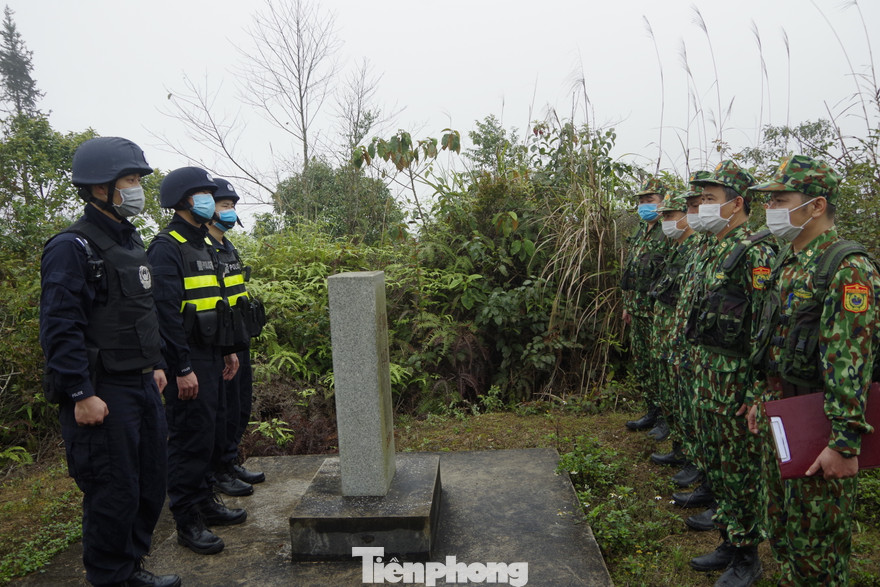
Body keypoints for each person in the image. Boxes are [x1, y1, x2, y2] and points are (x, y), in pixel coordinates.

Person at [39, 137, 181, 587]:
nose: (137, 189)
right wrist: (80, 392)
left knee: (148, 482)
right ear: (100, 187)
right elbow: (60, 327)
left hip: (141, 383)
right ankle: (110, 576)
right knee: (113, 490)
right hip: (102, 389)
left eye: (138, 179)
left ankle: (130, 567)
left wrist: (155, 364)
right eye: (130, 180)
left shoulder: (130, 240)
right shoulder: (72, 247)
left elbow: (139, 313)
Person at [748, 155, 878, 586]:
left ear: (816, 205)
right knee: (782, 527)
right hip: (783, 414)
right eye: (769, 201)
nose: (771, 209)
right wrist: (762, 400)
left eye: (780, 200)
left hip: (819, 425)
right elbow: (774, 341)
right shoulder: (790, 261)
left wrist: (844, 442)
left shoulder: (846, 268)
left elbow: (850, 361)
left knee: (816, 549)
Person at [684, 160, 776, 586]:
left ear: (737, 204)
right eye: (701, 198)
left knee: (740, 472)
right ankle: (728, 538)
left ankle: (747, 555)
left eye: (710, 198)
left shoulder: (755, 252)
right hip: (708, 376)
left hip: (736, 383)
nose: (703, 205)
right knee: (718, 466)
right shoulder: (712, 246)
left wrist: (756, 390)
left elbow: (764, 327)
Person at [147, 167, 244, 555]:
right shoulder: (166, 246)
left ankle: (205, 503)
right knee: (189, 439)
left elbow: (215, 303)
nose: (209, 200)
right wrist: (182, 367)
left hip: (211, 353)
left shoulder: (203, 244)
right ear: (183, 200)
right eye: (202, 193)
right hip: (185, 359)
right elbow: (165, 313)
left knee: (209, 432)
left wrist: (227, 349)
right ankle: (186, 519)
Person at [206, 177, 266, 493]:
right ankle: (219, 471)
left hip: (238, 337)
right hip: (217, 342)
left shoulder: (227, 246)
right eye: (224, 205)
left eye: (232, 205)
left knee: (240, 405)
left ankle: (230, 462)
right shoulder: (200, 248)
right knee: (223, 408)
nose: (229, 211)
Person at [648, 188, 702, 473]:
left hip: (682, 336)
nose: (666, 221)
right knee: (671, 391)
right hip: (667, 331)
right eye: (665, 216)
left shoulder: (696, 248)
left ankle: (691, 455)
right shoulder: (677, 247)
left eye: (671, 215)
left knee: (685, 398)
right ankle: (680, 447)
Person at [621, 177, 671, 438]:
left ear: (663, 201)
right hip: (637, 310)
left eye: (650, 200)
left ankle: (666, 418)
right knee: (642, 365)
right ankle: (651, 410)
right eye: (641, 201)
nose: (644, 205)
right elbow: (632, 271)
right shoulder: (642, 230)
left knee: (660, 366)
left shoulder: (669, 230)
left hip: (658, 314)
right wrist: (627, 305)